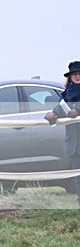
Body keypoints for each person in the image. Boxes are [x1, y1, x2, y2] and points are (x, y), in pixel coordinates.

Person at [45, 60, 80, 207]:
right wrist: (52, 114)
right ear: (70, 77)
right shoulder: (66, 94)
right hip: (74, 142)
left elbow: (75, 109)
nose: (77, 76)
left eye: (79, 74)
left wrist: (77, 111)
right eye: (74, 74)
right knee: (77, 174)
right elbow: (61, 107)